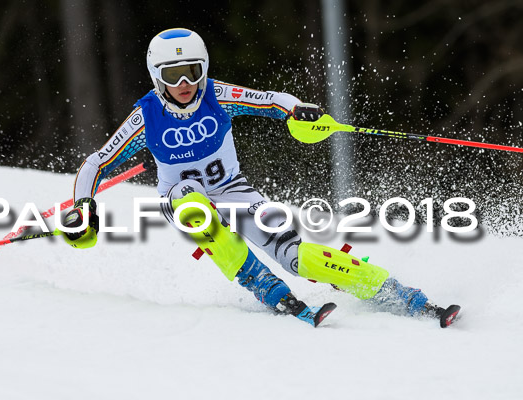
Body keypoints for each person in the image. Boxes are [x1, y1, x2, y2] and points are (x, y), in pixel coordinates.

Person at [61, 28, 460, 328]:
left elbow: (271, 99)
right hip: (180, 198)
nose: (184, 84)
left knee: (297, 255)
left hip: (234, 191)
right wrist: (84, 206)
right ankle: (263, 286)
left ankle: (395, 293)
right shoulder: (145, 115)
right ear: (156, 76)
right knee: (194, 204)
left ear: (203, 71)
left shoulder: (218, 95)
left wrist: (299, 109)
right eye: (173, 75)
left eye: (191, 72)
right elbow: (97, 162)